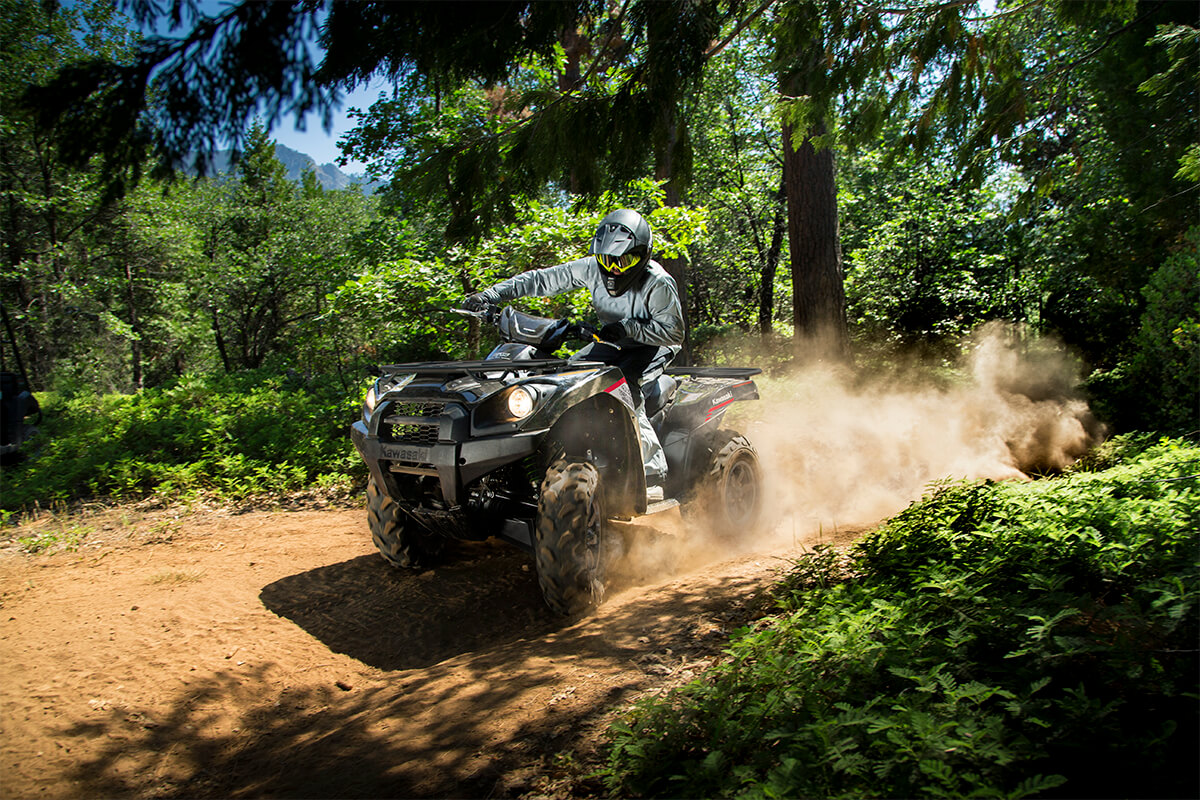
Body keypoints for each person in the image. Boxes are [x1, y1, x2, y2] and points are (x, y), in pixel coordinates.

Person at [465, 209, 683, 491]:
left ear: (642, 254)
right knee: (569, 377)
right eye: (608, 260)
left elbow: (674, 332)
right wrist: (491, 295)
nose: (614, 269)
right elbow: (541, 280)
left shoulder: (659, 282)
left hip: (655, 343)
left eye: (624, 260)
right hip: (613, 339)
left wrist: (629, 328)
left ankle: (652, 471)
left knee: (626, 385)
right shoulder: (592, 268)